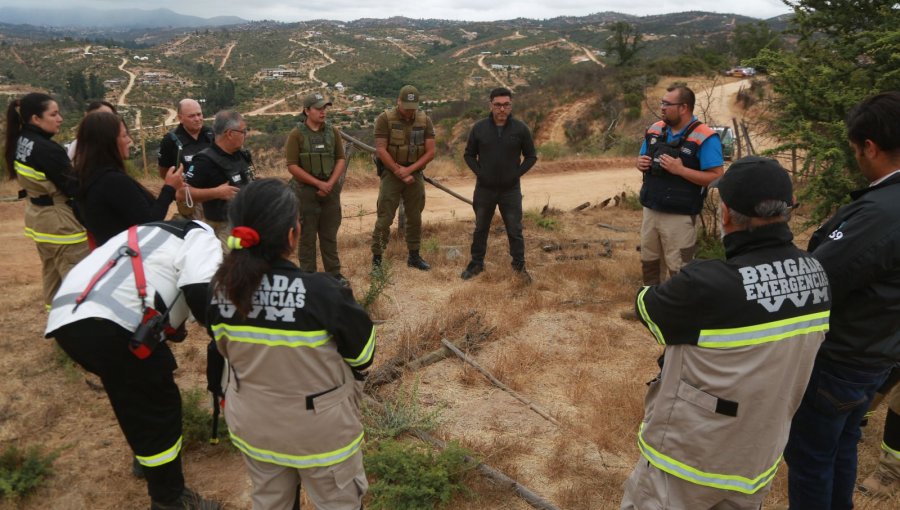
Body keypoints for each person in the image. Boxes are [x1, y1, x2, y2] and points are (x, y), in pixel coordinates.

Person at [620, 156, 831, 509]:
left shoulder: (708, 283)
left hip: (686, 462)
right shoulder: (817, 274)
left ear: (727, 214)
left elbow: (647, 306)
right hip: (757, 460)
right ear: (789, 210)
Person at [208, 178, 375, 510]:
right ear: (291, 235)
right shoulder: (323, 292)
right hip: (321, 433)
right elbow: (363, 356)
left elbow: (222, 349)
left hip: (255, 427)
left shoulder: (219, 290)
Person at [44, 219, 223, 510]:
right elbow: (199, 290)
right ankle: (170, 499)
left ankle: (147, 460)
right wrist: (225, 335)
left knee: (130, 392)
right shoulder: (203, 238)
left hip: (68, 320)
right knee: (160, 405)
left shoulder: (148, 234)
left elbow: (159, 289)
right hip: (114, 325)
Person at [783, 91, 900, 510]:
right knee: (842, 445)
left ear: (869, 146)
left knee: (811, 458)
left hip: (841, 357)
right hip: (877, 351)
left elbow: (817, 280)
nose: (856, 157)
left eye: (854, 149)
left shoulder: (881, 213)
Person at [4, 92, 89, 309]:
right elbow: (74, 188)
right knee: (78, 283)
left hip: (39, 220)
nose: (60, 118)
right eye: (54, 114)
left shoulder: (21, 140)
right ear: (36, 119)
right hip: (61, 226)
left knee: (52, 278)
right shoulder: (48, 150)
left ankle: (57, 326)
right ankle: (77, 332)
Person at [636, 84, 724, 285]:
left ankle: (680, 313)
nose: (662, 107)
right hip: (651, 209)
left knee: (680, 268)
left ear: (683, 107)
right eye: (662, 103)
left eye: (667, 104)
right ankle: (649, 307)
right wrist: (639, 163)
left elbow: (717, 177)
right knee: (649, 261)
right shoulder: (655, 129)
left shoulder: (705, 136)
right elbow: (641, 156)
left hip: (680, 215)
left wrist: (681, 170)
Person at [461, 87, 537, 282]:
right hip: (484, 189)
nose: (502, 109)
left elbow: (531, 157)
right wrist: (481, 173)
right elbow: (468, 155)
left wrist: (515, 175)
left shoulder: (520, 129)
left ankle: (519, 267)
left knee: (515, 229)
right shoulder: (479, 128)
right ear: (490, 105)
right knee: (480, 228)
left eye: (506, 105)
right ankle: (476, 264)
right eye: (497, 105)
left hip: (510, 190)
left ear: (511, 106)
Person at [74, 112, 183, 246]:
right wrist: (169, 188)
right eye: (124, 135)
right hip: (130, 256)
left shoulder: (85, 177)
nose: (129, 140)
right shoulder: (113, 182)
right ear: (109, 141)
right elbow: (149, 222)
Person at [370, 84, 435, 272]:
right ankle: (377, 259)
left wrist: (410, 170)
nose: (408, 111)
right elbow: (381, 149)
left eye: (412, 107)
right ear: (398, 101)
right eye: (405, 106)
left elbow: (430, 152)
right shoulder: (385, 119)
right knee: (384, 218)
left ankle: (414, 256)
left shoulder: (424, 121)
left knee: (415, 218)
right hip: (391, 174)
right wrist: (399, 171)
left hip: (414, 175)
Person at [285, 92, 348, 286]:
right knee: (307, 237)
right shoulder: (297, 134)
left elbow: (340, 159)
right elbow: (292, 166)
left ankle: (334, 274)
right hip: (305, 193)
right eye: (318, 108)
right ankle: (308, 277)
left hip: (330, 191)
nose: (323, 112)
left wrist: (329, 184)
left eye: (325, 108)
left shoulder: (333, 132)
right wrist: (318, 184)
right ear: (307, 111)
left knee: (329, 234)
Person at [184, 110, 254, 241]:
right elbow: (182, 193)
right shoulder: (204, 161)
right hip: (223, 229)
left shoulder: (241, 154)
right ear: (230, 133)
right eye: (243, 131)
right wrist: (216, 193)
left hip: (246, 223)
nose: (246, 135)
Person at [158, 99, 214, 219]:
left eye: (199, 114)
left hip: (215, 195)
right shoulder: (170, 141)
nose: (197, 119)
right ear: (180, 118)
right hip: (190, 199)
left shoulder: (212, 135)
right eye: (192, 116)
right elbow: (164, 172)